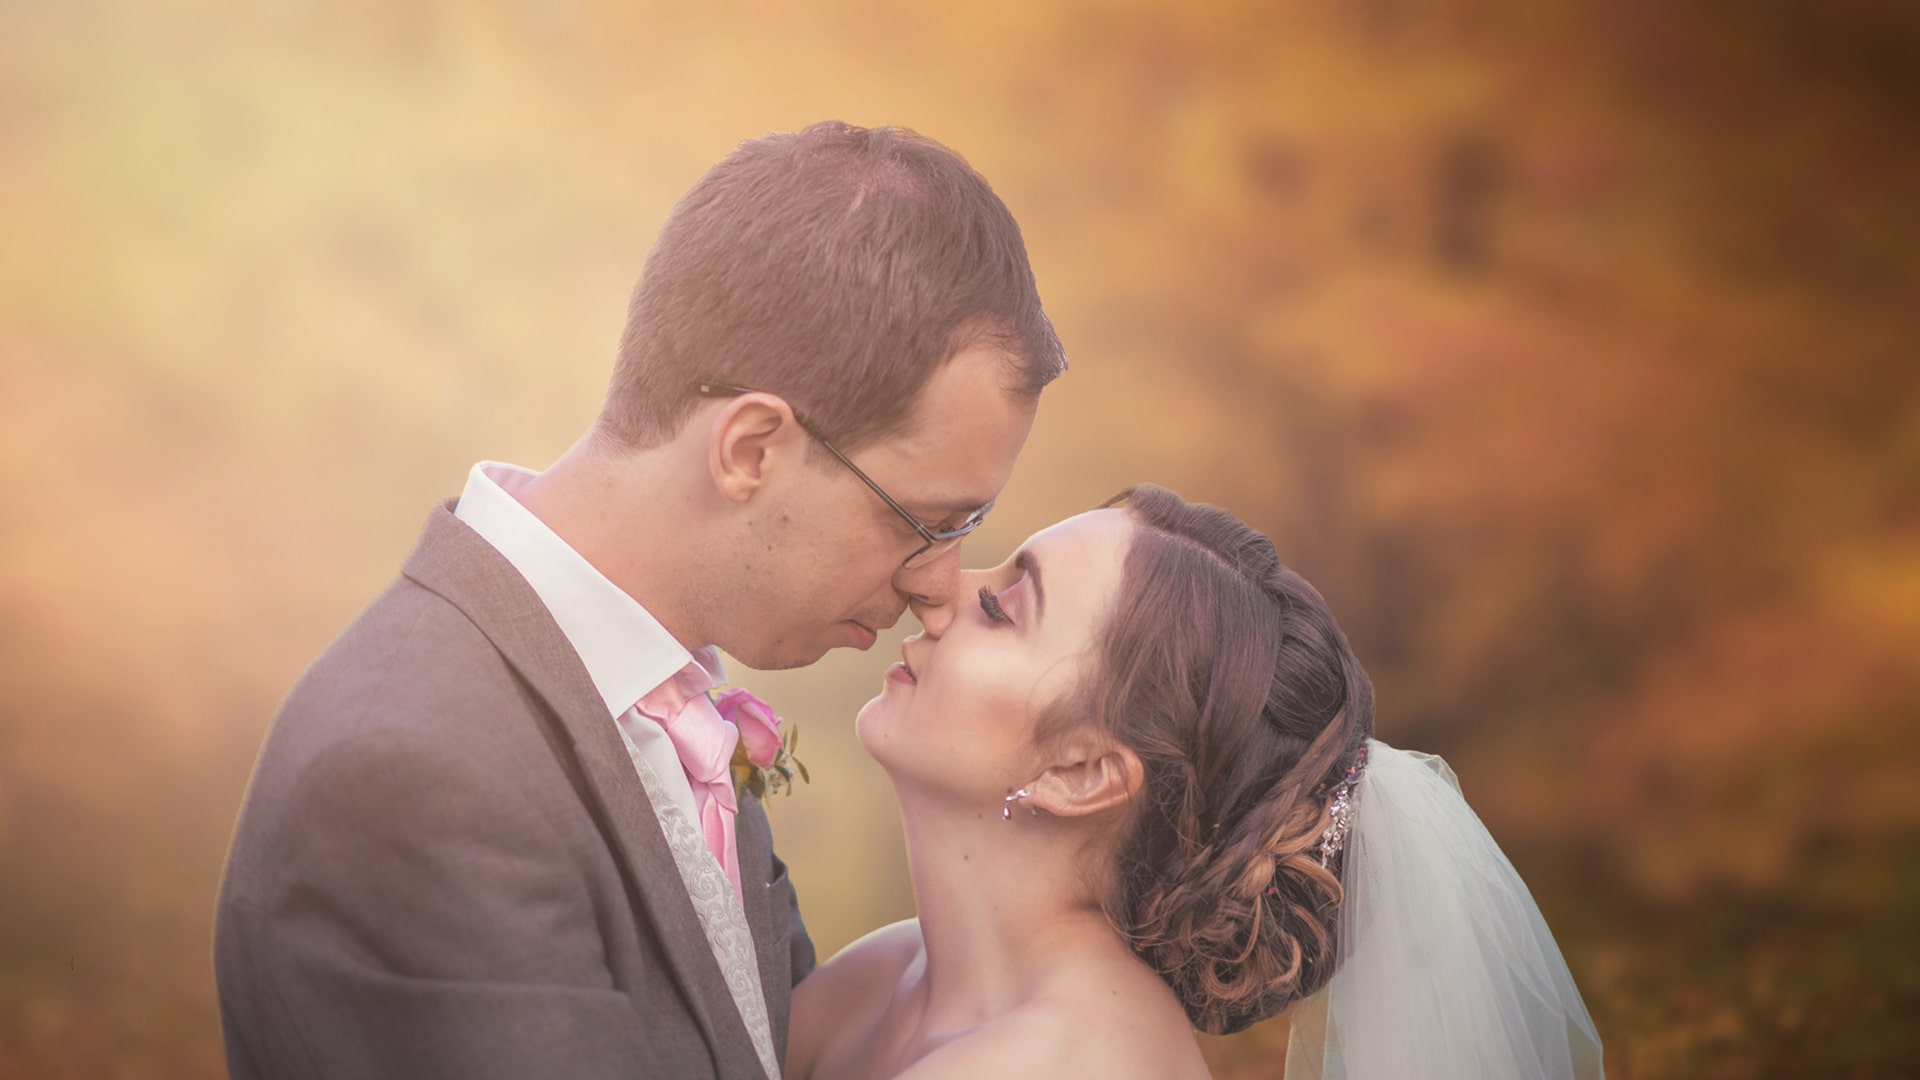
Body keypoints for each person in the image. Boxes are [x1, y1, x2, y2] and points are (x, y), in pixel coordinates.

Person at [214, 121, 1065, 1080]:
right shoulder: (421, 771)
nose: (938, 586)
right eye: (928, 519)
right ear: (751, 450)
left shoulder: (658, 695)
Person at [787, 485, 1604, 1079]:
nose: (938, 587)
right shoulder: (881, 975)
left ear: (1081, 772)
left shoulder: (1049, 1064)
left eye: (1003, 607)